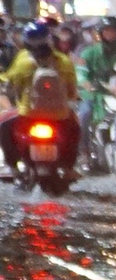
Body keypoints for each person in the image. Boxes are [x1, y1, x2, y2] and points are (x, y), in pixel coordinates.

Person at [4, 20, 79, 171]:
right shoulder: (64, 61)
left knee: (4, 127)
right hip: (60, 115)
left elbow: (12, 85)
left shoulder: (22, 61)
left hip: (28, 114)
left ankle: (13, 167)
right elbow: (72, 90)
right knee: (76, 129)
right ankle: (69, 169)